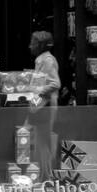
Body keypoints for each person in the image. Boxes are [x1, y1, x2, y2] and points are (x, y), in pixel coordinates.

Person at [27, 31, 61, 176]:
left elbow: (55, 83)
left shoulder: (47, 60)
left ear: (40, 45)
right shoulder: (42, 59)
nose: (30, 46)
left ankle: (45, 176)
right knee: (39, 140)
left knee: (43, 141)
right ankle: (43, 175)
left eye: (33, 43)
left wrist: (37, 89)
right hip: (40, 104)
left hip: (45, 105)